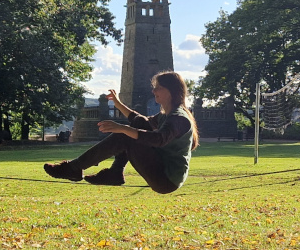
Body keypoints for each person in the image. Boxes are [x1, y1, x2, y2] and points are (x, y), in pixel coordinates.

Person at [44, 71, 199, 194]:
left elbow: (159, 139)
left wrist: (122, 128)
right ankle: (114, 172)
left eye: (158, 87)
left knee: (126, 134)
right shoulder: (167, 114)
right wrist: (118, 103)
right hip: (161, 169)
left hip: (166, 180)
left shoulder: (179, 118)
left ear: (171, 91)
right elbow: (140, 120)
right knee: (138, 124)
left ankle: (75, 168)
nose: (154, 91)